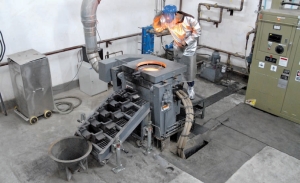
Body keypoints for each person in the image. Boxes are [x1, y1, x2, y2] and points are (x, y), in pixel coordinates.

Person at [153, 5, 201, 100]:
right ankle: (178, 85)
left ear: (175, 14)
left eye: (168, 16)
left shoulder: (189, 19)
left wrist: (186, 41)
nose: (167, 19)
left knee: (189, 70)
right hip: (177, 48)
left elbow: (197, 32)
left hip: (189, 49)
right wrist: (158, 15)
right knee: (176, 68)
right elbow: (157, 28)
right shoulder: (166, 20)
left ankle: (190, 87)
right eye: (165, 16)